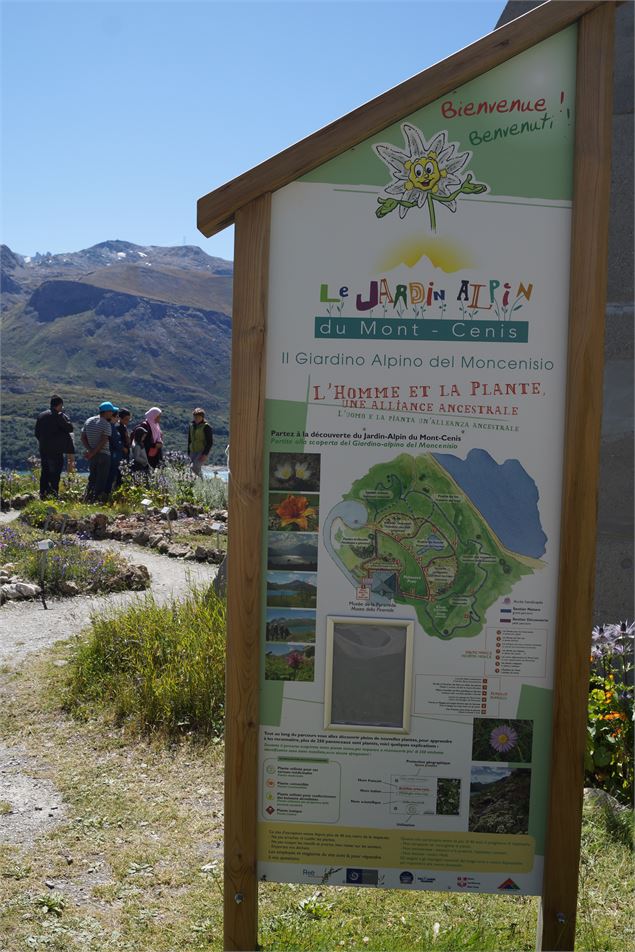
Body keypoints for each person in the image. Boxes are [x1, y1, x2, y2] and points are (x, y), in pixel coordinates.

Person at [34, 395, 74, 499]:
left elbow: (36, 433)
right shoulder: (58, 416)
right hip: (56, 450)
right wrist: (64, 416)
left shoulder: (41, 415)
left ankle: (43, 494)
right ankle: (54, 494)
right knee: (55, 473)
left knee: (45, 472)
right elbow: (69, 428)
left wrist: (43, 442)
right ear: (59, 405)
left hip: (44, 449)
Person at [81, 402, 116, 502]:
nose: (112, 414)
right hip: (104, 455)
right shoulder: (106, 424)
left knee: (92, 478)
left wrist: (90, 450)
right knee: (101, 479)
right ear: (106, 412)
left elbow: (83, 437)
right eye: (111, 411)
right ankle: (97, 500)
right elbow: (104, 440)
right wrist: (93, 452)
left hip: (93, 456)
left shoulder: (89, 421)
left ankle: (88, 498)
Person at [131, 407, 164, 473]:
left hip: (155, 454)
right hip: (147, 455)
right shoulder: (145, 426)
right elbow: (143, 441)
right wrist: (155, 445)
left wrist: (160, 442)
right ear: (153, 416)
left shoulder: (156, 426)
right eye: (158, 417)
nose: (159, 419)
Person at [187, 407, 213, 476]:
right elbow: (189, 440)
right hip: (192, 451)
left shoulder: (206, 427)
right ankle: (199, 481)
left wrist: (205, 454)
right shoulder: (191, 426)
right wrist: (188, 452)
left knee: (195, 467)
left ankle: (201, 481)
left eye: (198, 417)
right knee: (191, 470)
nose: (196, 418)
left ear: (202, 417)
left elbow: (210, 442)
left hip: (201, 451)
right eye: (195, 417)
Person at [104, 410, 124, 496]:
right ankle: (107, 494)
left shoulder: (110, 426)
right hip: (114, 454)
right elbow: (115, 442)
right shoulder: (111, 427)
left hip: (112, 454)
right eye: (116, 417)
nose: (118, 419)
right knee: (111, 475)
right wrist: (122, 447)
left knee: (110, 475)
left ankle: (106, 493)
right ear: (112, 417)